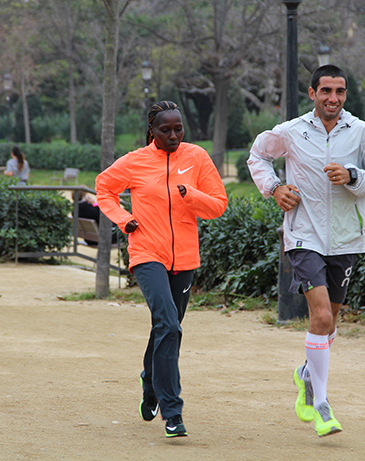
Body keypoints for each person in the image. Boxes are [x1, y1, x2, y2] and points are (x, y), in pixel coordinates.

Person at [247, 65, 365, 438]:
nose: (333, 98)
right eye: (326, 91)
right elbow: (257, 156)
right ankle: (321, 404)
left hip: (345, 240)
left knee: (330, 325)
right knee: (322, 318)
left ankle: (306, 373)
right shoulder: (291, 132)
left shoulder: (361, 132)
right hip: (303, 235)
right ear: (312, 93)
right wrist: (275, 188)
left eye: (340, 92)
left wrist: (353, 176)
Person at [95, 101, 228, 438]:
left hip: (184, 258)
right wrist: (125, 221)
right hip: (146, 253)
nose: (173, 135)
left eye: (178, 128)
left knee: (166, 327)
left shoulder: (196, 157)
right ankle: (173, 412)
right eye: (165, 130)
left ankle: (149, 381)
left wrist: (192, 195)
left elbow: (218, 204)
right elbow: (103, 188)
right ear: (151, 131)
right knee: (169, 324)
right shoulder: (135, 161)